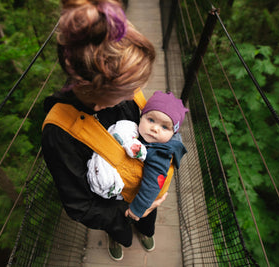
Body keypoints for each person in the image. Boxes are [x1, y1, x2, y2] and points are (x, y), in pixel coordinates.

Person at [41, 0, 170, 261]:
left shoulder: (124, 92)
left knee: (147, 221)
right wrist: (131, 211)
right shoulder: (59, 133)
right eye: (128, 90)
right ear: (102, 100)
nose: (135, 93)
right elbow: (80, 205)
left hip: (144, 185)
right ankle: (119, 237)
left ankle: (145, 230)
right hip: (114, 208)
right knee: (121, 230)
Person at [87, 91, 188, 223]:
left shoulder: (160, 154)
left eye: (164, 127)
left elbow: (153, 184)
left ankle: (146, 233)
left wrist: (137, 209)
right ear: (142, 116)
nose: (155, 129)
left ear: (173, 133)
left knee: (145, 222)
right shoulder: (145, 136)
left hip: (145, 198)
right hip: (137, 190)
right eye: (151, 120)